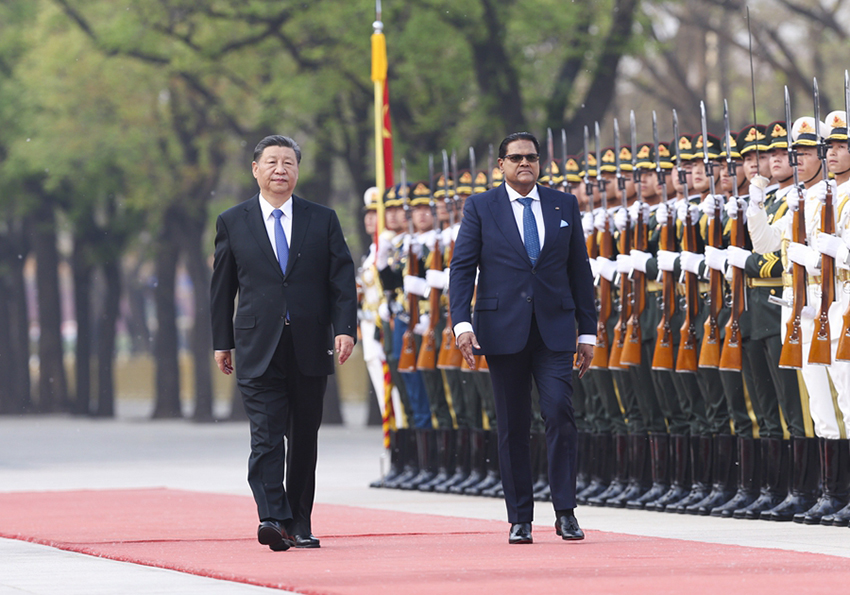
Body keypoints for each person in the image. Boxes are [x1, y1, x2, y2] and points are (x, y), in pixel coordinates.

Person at [210, 135, 357, 551]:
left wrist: (345, 328)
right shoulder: (232, 221)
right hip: (257, 344)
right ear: (255, 169)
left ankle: (301, 521)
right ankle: (272, 518)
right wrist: (222, 341)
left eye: (288, 163)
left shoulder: (322, 218)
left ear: (297, 170)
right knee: (266, 436)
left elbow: (341, 279)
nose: (280, 170)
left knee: (304, 438)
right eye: (271, 162)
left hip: (309, 344)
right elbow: (222, 288)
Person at [450, 132, 596, 544]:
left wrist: (588, 331)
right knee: (513, 425)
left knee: (559, 414)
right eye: (516, 158)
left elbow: (578, 268)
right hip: (502, 330)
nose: (525, 164)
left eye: (531, 157)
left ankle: (565, 511)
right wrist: (462, 324)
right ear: (500, 165)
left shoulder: (562, 203)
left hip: (554, 329)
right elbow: (463, 269)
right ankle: (520, 517)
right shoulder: (480, 206)